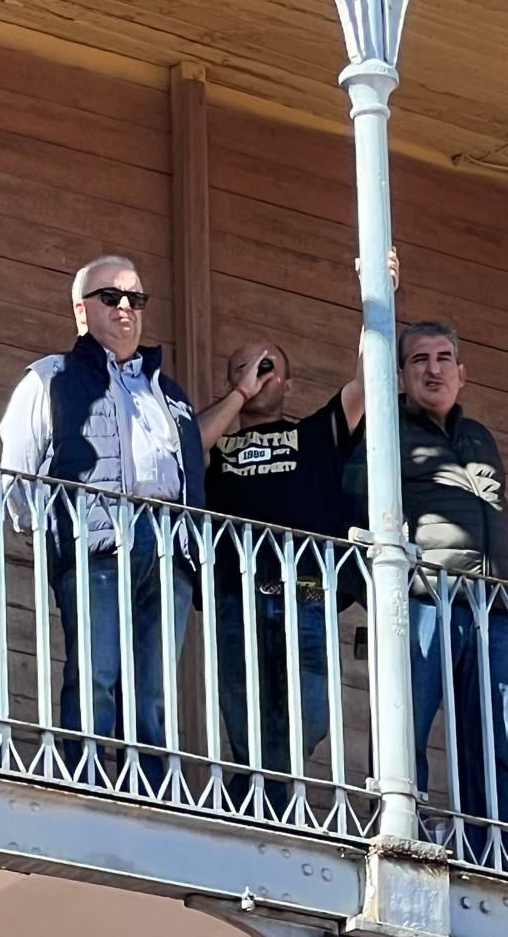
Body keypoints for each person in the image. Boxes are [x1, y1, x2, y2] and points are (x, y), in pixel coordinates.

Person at [0, 255, 203, 791]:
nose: (125, 308)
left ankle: (150, 790)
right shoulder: (52, 376)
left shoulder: (169, 393)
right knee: (97, 673)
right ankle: (85, 780)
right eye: (110, 297)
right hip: (97, 541)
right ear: (81, 310)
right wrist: (48, 532)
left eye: (136, 299)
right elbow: (17, 468)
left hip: (169, 543)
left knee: (154, 687)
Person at [350, 320, 508, 853]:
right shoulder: (386, 428)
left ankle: (492, 845)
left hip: (490, 604)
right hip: (423, 599)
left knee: (496, 735)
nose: (433, 370)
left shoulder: (478, 436)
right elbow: (355, 499)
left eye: (443, 359)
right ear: (400, 375)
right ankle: (398, 829)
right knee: (405, 725)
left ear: (462, 373)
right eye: (420, 360)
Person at [198, 338, 369, 816]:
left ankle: (255, 804)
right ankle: (270, 809)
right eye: (246, 366)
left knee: (310, 714)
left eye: (269, 366)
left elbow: (365, 383)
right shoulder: (217, 442)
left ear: (290, 385)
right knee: (244, 717)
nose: (258, 373)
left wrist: (377, 304)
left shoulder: (314, 434)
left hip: (305, 593)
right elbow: (185, 446)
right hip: (238, 596)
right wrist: (239, 396)